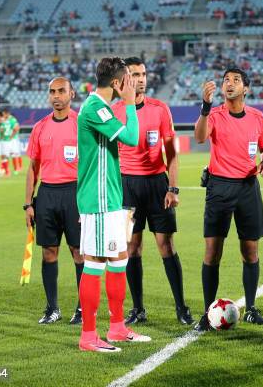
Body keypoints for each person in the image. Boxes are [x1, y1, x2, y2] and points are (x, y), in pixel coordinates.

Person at [111, 57, 193, 326]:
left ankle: (181, 307)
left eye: (143, 73)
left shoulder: (160, 109)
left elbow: (172, 155)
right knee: (131, 248)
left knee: (166, 245)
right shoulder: (115, 111)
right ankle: (137, 309)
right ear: (124, 80)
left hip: (157, 185)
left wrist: (173, 188)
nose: (141, 78)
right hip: (126, 187)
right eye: (135, 74)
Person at [76, 57, 150, 352]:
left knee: (119, 260)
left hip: (111, 197)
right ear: (118, 83)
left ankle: (117, 328)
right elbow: (132, 137)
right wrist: (131, 104)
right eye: (129, 80)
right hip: (98, 200)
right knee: (95, 264)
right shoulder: (94, 108)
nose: (132, 85)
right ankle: (88, 336)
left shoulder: (102, 108)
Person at [193, 68, 263, 331]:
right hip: (219, 188)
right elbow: (200, 137)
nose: (229, 84)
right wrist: (205, 107)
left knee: (250, 251)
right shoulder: (214, 114)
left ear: (245, 89)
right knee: (212, 251)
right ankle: (207, 314)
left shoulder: (258, 118)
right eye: (226, 80)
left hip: (248, 188)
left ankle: (251, 308)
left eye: (235, 80)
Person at [25, 77, 83, 325]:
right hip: (47, 194)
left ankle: (83, 309)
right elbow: (33, 168)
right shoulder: (40, 127)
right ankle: (52, 308)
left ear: (72, 93)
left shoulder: (82, 123)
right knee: (49, 252)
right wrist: (28, 204)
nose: (56, 96)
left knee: (79, 253)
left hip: (75, 193)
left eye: (61, 91)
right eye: (52, 92)